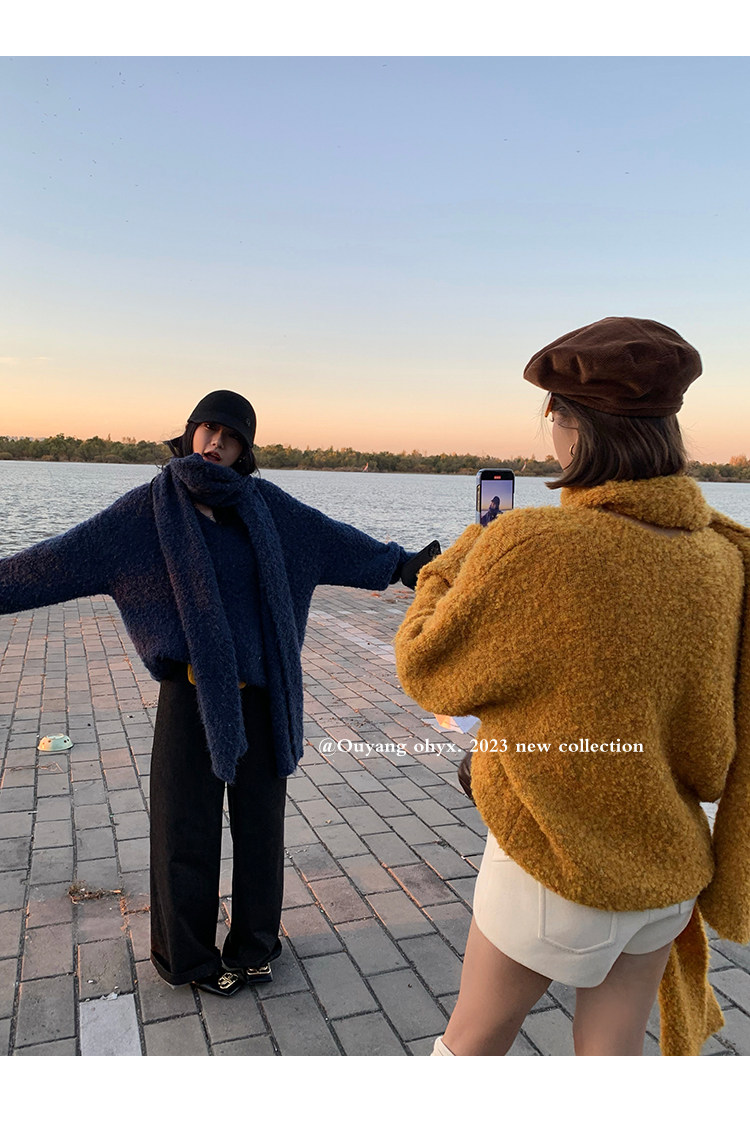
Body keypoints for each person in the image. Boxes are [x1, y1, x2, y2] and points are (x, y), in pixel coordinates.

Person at [0, 389, 440, 997]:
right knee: (184, 831)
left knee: (261, 828)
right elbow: (59, 559)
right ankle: (188, 958)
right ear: (189, 434)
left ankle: (256, 946)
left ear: (243, 450)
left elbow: (334, 542)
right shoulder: (147, 511)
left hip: (261, 697)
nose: (215, 443)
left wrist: (402, 564)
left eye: (230, 436)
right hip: (189, 699)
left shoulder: (268, 508)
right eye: (207, 429)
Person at [394, 317, 750, 1055]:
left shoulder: (531, 543)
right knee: (609, 1062)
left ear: (576, 428)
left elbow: (427, 667)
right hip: (667, 868)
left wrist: (465, 552)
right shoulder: (721, 556)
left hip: (553, 860)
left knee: (468, 1049)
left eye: (553, 416)